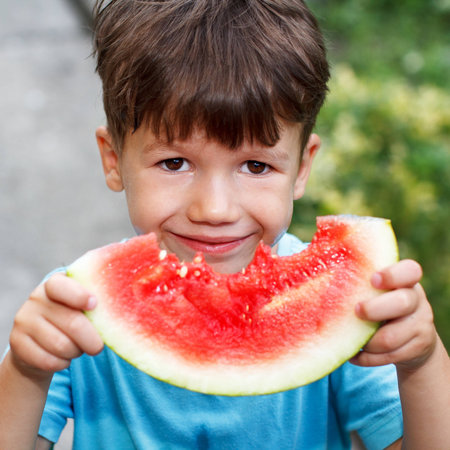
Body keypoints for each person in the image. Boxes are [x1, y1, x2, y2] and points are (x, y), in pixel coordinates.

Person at [1, 0, 449, 448]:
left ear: (301, 168)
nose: (214, 209)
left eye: (255, 166)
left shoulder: (351, 307)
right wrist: (25, 370)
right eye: (174, 162)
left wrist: (421, 364)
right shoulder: (75, 308)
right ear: (114, 159)